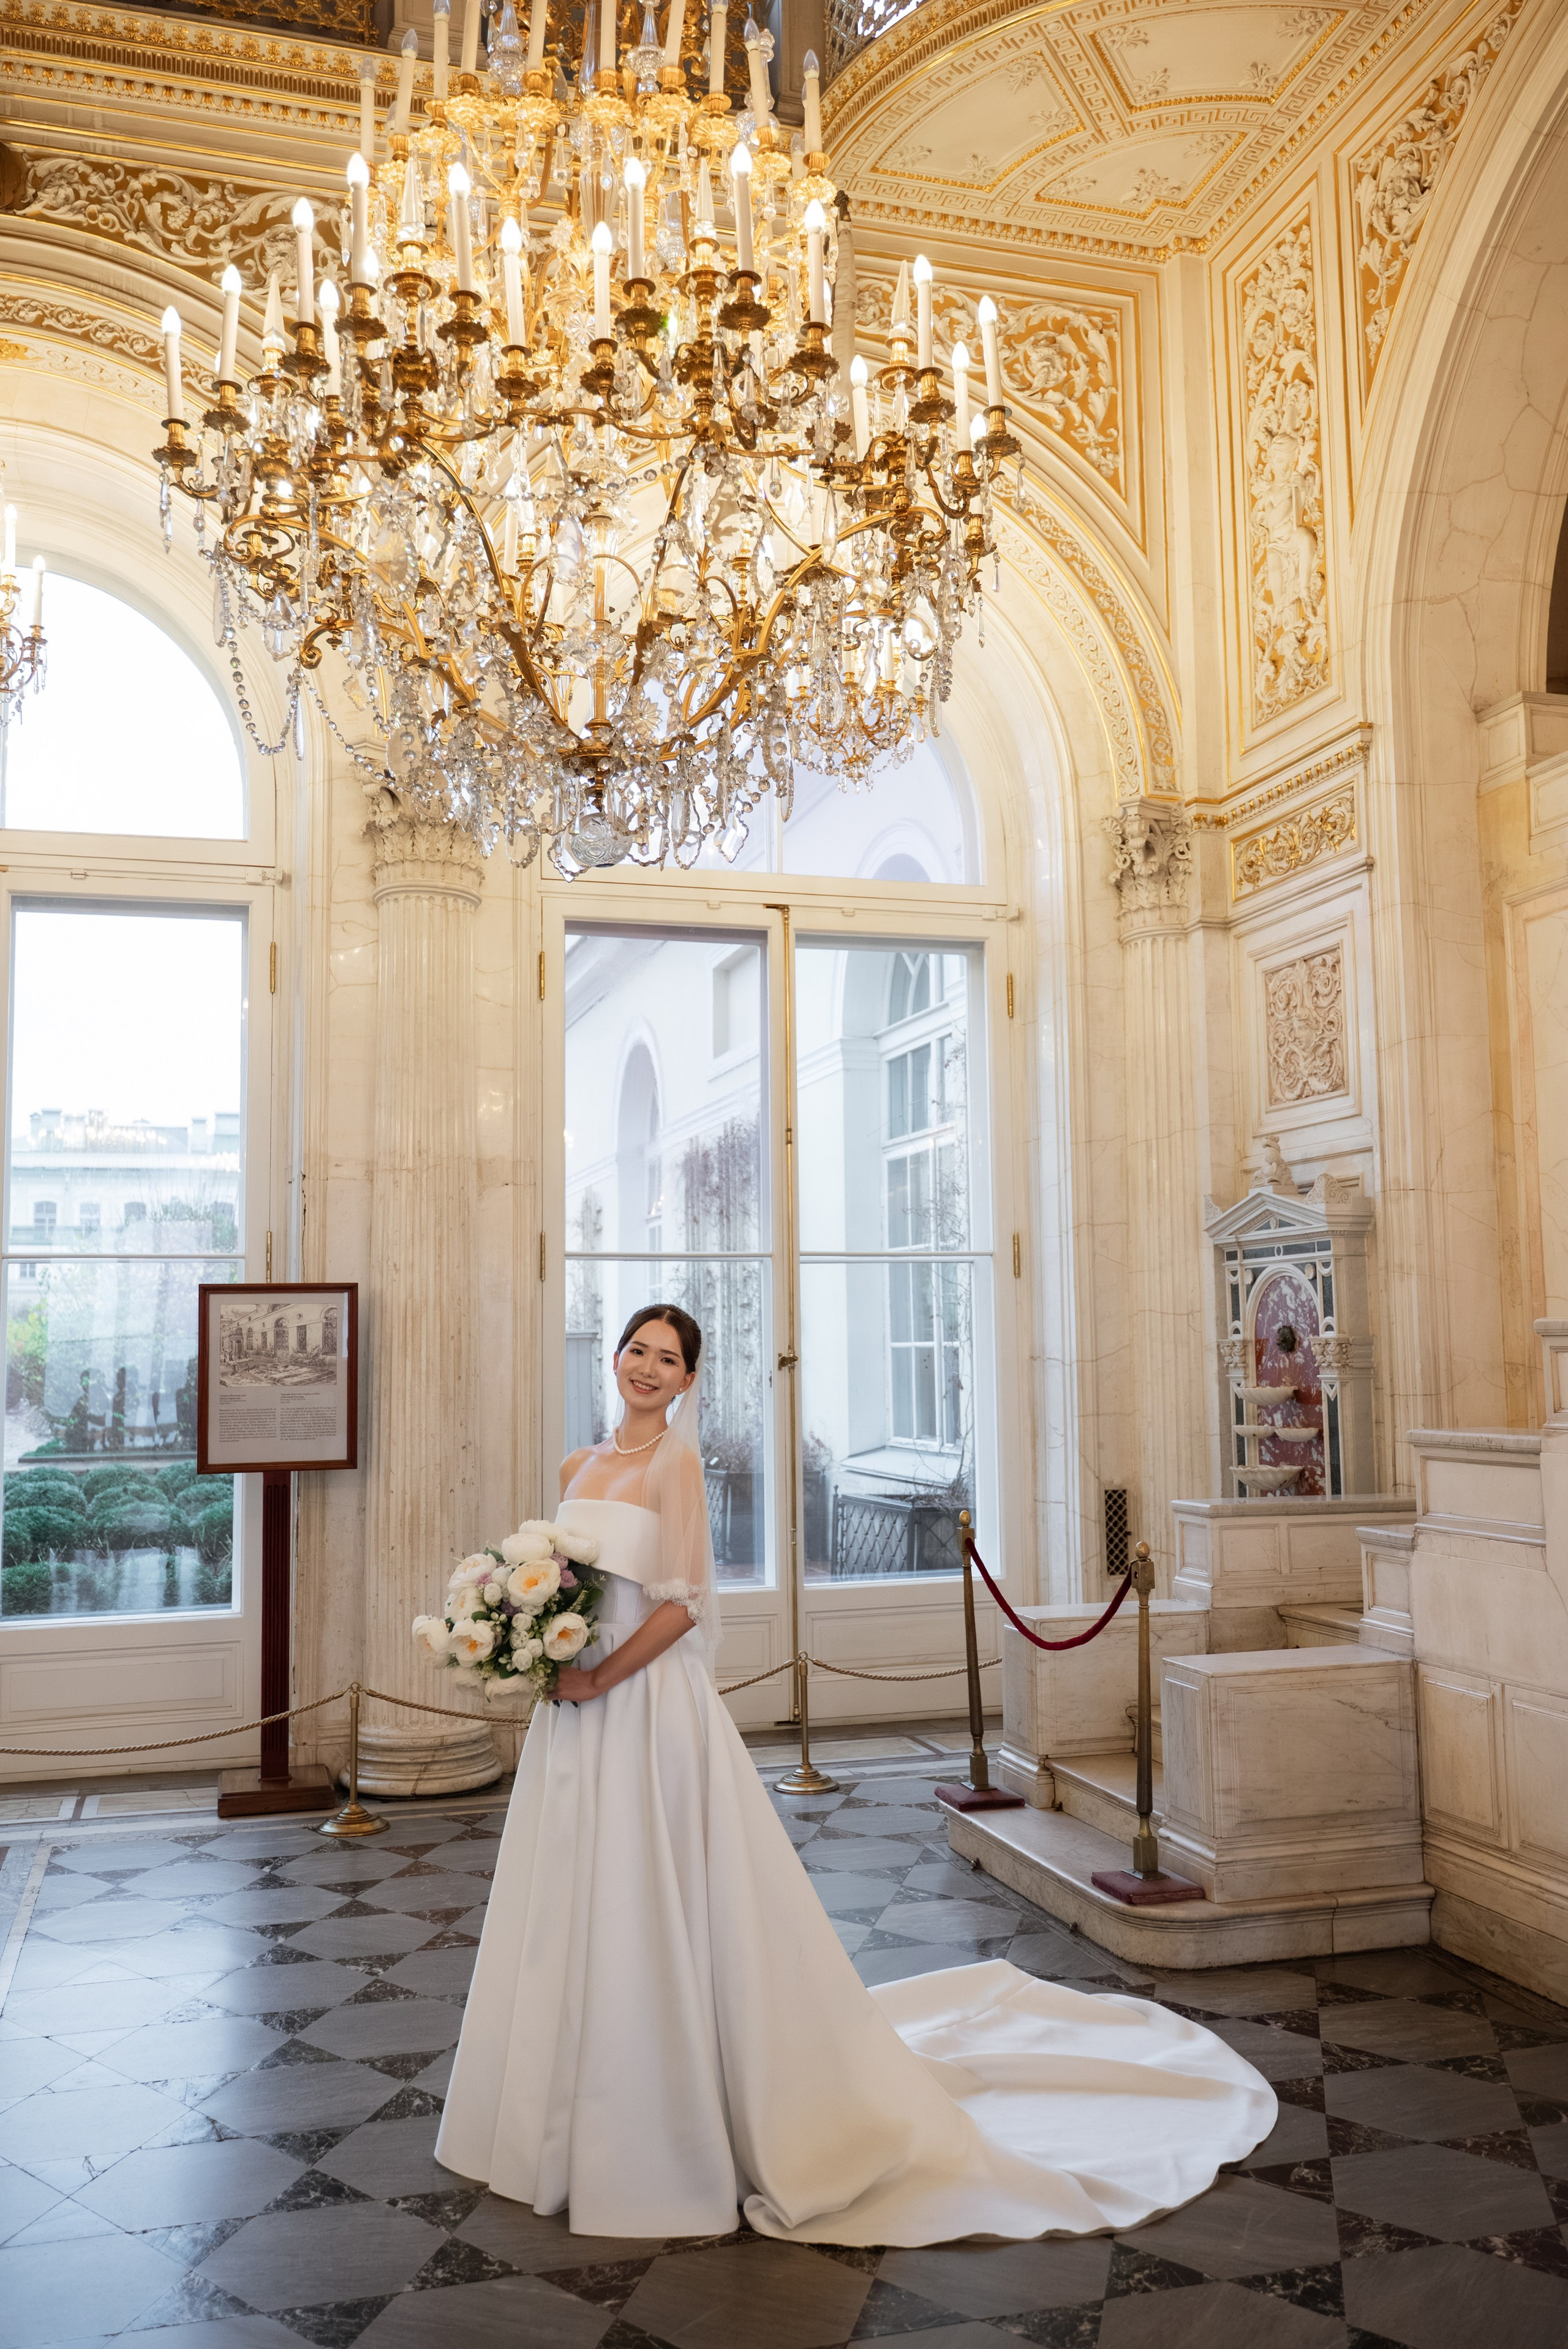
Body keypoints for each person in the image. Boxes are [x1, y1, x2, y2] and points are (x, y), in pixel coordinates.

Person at [435, 1305, 1275, 2245]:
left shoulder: (672, 1465)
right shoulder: (573, 1467)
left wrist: (595, 1675)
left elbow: (682, 1609)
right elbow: (567, 1589)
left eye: (666, 1359)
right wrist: (538, 1656)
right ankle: (554, 2112)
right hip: (575, 1718)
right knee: (572, 1896)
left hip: (641, 1708)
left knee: (655, 1891)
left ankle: (667, 2121)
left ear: (688, 1382)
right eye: (637, 1349)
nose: (644, 1367)